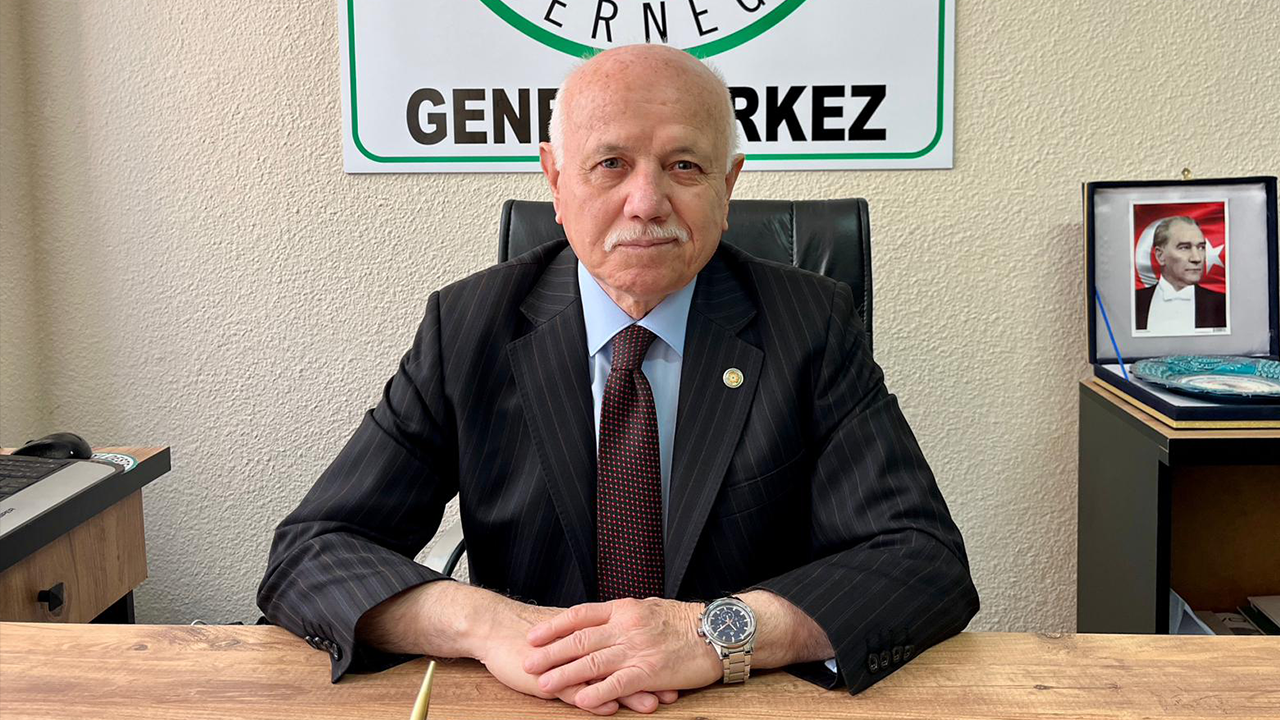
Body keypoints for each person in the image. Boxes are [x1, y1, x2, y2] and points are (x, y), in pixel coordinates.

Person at [258, 44, 978, 716]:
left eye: (684, 166)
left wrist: (714, 632)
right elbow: (312, 550)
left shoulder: (809, 324)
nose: (646, 202)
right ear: (555, 180)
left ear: (728, 186)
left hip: (741, 702)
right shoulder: (468, 327)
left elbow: (923, 559)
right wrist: (487, 624)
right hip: (536, 700)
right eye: (610, 164)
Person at [1135, 216, 1226, 332]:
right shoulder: (1134, 302)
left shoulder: (1222, 305)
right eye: (1184, 248)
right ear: (1160, 256)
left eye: (1201, 247)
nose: (1197, 258)